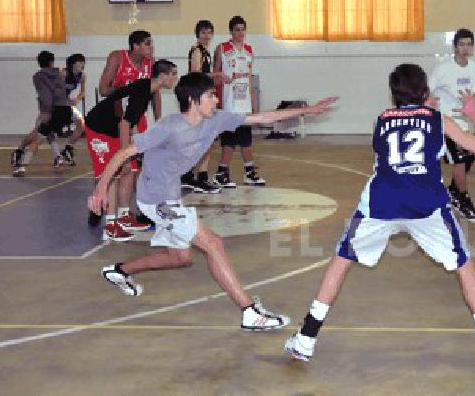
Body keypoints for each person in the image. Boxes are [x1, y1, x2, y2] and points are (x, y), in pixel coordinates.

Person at [284, 64, 475, 371]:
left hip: (382, 203)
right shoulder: (438, 119)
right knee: (463, 266)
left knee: (341, 261)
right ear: (426, 91)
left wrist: (421, 110)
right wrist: (474, 115)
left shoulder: (381, 120)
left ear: (393, 94)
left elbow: (403, 130)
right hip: (426, 205)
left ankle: (306, 339)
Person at [88, 72, 337, 331]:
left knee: (181, 257)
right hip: (156, 199)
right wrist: (101, 189)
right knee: (213, 243)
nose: (216, 100)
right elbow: (124, 152)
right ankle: (249, 311)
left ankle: (119, 271)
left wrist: (309, 110)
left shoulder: (216, 120)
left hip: (171, 195)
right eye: (210, 95)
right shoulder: (169, 127)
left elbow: (263, 117)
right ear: (194, 100)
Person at [84, 59, 178, 241]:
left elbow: (130, 121)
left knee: (130, 170)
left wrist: (139, 148)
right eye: (173, 73)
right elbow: (125, 124)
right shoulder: (141, 92)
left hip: (114, 130)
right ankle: (110, 225)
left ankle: (125, 216)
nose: (176, 77)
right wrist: (125, 154)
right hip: (98, 129)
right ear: (163, 75)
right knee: (113, 173)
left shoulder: (148, 90)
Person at [98, 30, 161, 229]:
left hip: (137, 119)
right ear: (135, 46)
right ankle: (103, 209)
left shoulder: (151, 64)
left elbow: (155, 93)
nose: (151, 47)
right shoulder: (117, 57)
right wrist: (130, 89)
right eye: (147, 44)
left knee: (135, 170)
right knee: (117, 169)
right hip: (116, 120)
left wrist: (158, 121)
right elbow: (103, 89)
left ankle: (128, 214)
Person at [429, 28, 475, 222]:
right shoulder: (443, 69)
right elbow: (429, 92)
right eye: (462, 44)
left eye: (469, 44)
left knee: (470, 158)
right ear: (455, 46)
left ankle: (453, 190)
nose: (465, 48)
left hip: (466, 122)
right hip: (447, 122)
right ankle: (463, 199)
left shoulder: (473, 67)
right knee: (460, 160)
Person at [212, 15, 265, 188]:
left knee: (246, 139)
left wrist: (253, 104)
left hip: (244, 104)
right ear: (231, 31)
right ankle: (221, 173)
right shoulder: (222, 48)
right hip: (228, 102)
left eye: (243, 29)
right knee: (229, 140)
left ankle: (249, 173)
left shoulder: (249, 50)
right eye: (237, 29)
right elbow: (214, 76)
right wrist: (220, 79)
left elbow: (249, 78)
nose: (240, 33)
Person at [10, 51, 75, 176]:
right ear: (52, 62)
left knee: (38, 138)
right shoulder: (60, 74)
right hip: (66, 109)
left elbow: (46, 95)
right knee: (49, 134)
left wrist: (46, 112)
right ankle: (59, 159)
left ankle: (22, 167)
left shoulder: (39, 76)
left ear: (39, 63)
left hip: (52, 109)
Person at [180, 20, 227, 194]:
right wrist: (217, 73)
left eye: (209, 32)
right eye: (204, 32)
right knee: (203, 138)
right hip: (196, 99)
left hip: (201, 98)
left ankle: (191, 175)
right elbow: (195, 73)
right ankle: (199, 176)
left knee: (204, 138)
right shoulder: (197, 50)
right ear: (198, 34)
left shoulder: (205, 51)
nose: (207, 36)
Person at [59, 53, 88, 166]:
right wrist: (66, 101)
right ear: (72, 64)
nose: (82, 64)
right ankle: (22, 150)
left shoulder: (83, 75)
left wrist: (77, 99)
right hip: (56, 103)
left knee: (81, 125)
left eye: (83, 62)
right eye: (80, 62)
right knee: (44, 132)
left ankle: (67, 149)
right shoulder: (63, 74)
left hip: (67, 104)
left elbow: (83, 91)